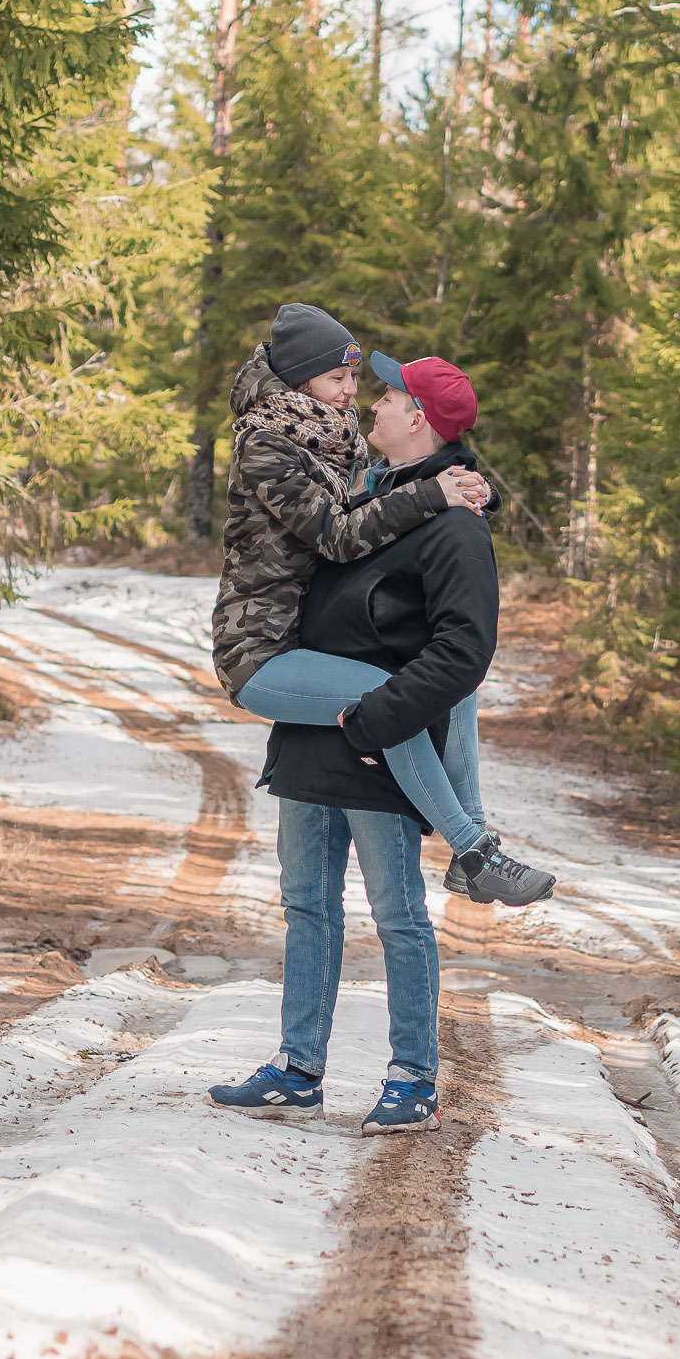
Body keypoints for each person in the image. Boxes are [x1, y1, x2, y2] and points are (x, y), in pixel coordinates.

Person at [209, 355, 530, 1132]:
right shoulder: (367, 487)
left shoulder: (455, 525)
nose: (371, 408)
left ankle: (414, 1077)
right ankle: (297, 1068)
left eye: (387, 397)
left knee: (398, 916)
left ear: (417, 418)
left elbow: (463, 658)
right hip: (319, 734)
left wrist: (383, 718)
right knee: (307, 907)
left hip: (379, 742)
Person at [211, 304, 554, 906]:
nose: (355, 392)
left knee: (443, 687)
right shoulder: (266, 447)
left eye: (356, 379)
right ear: (301, 382)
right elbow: (339, 533)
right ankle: (472, 849)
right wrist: (432, 493)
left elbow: (384, 489)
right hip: (261, 652)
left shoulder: (329, 435)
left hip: (308, 641)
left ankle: (470, 845)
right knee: (387, 703)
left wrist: (468, 484)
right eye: (339, 378)